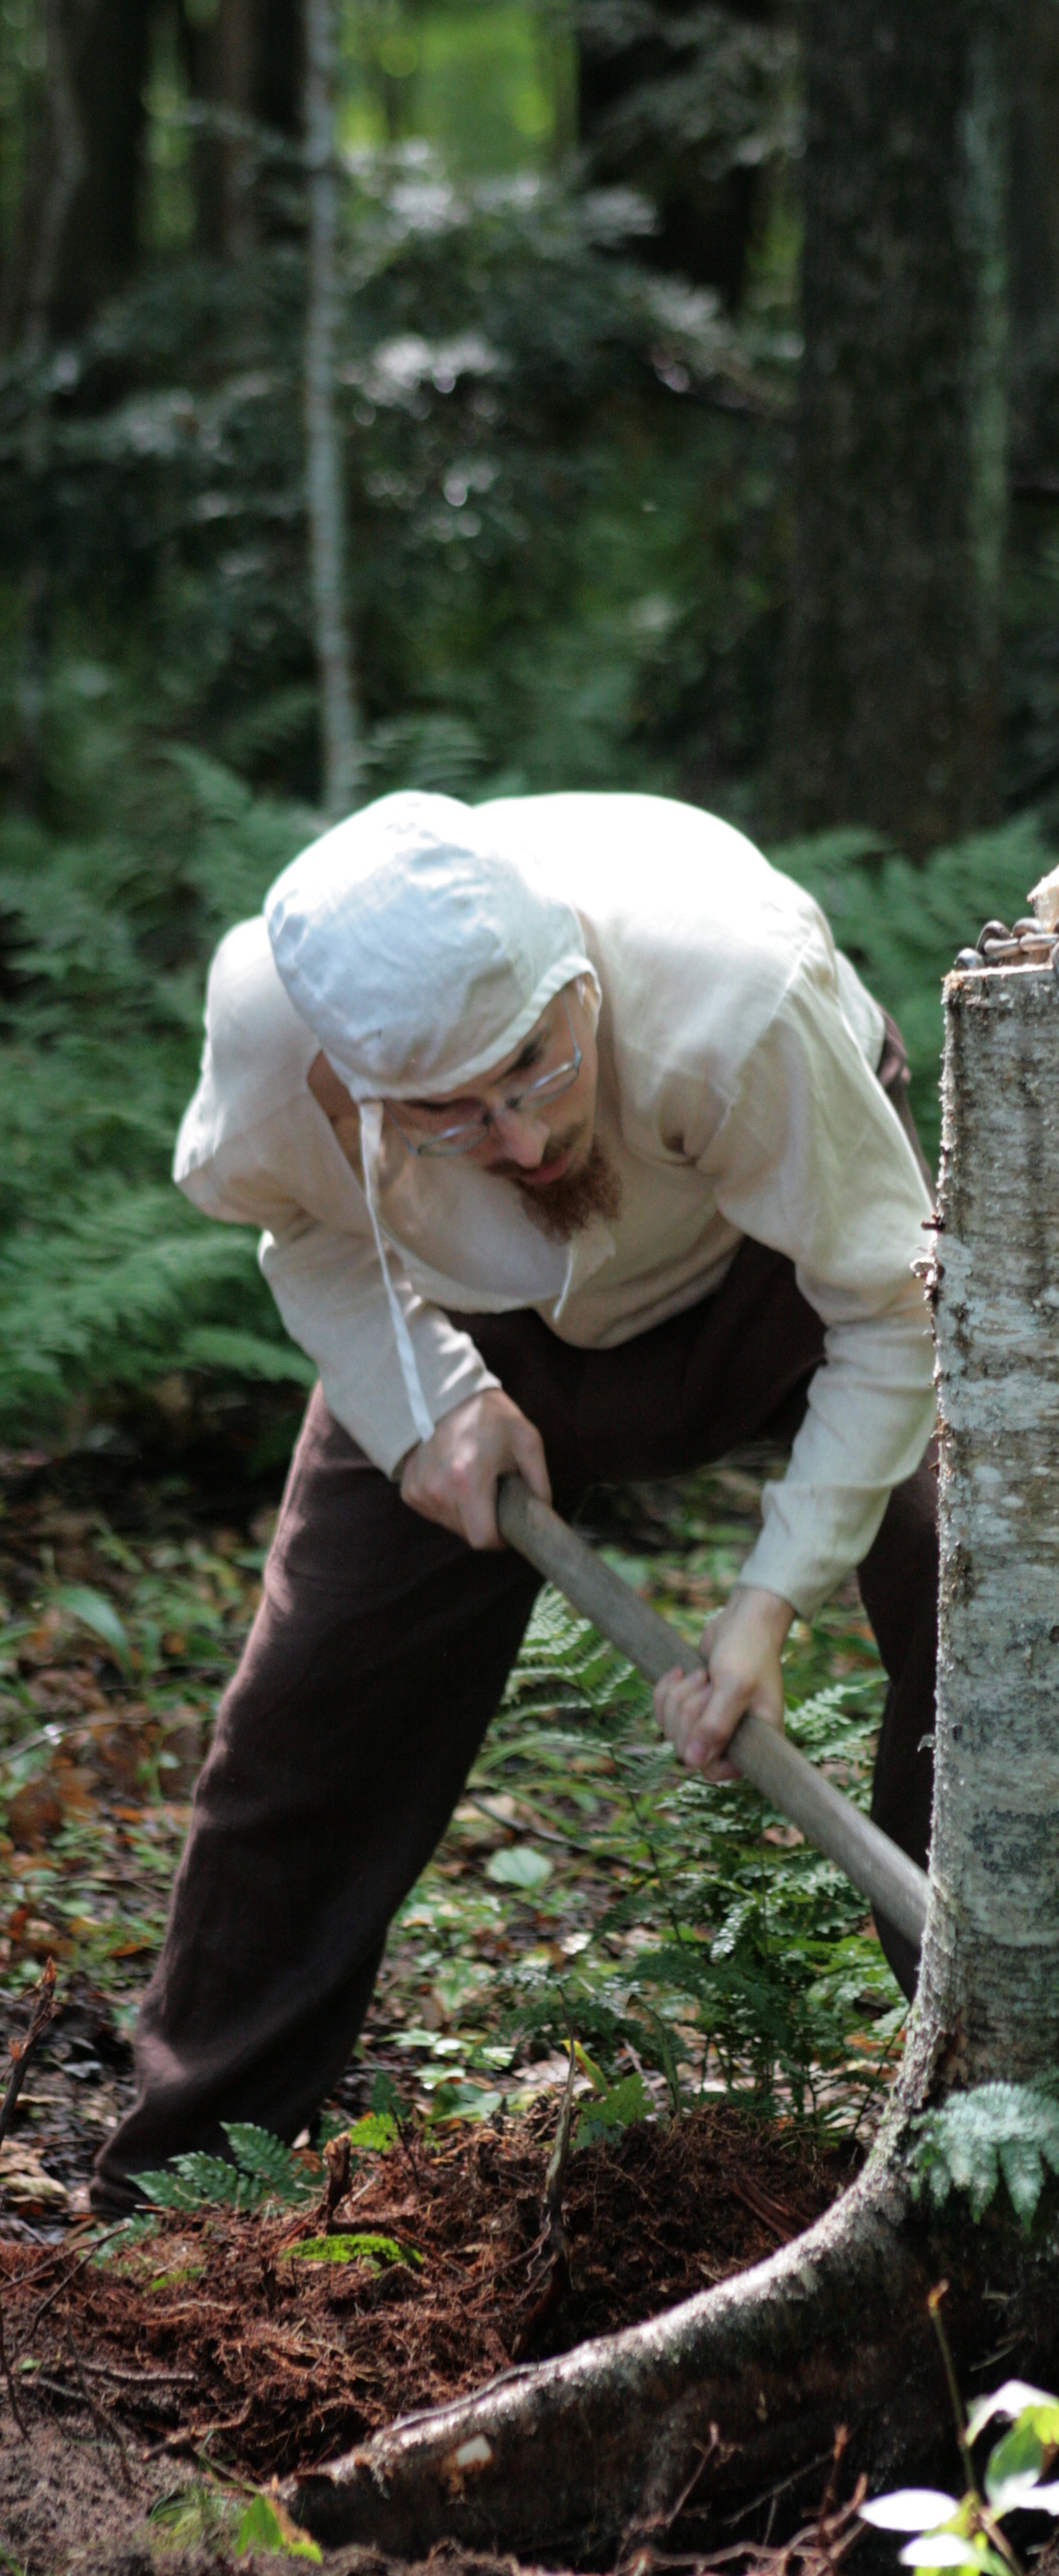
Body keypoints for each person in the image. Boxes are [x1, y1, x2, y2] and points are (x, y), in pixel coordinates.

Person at [91, 789, 938, 2213]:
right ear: (348, 1090)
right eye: (450, 1113)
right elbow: (304, 1233)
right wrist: (427, 1402)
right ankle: (182, 2191)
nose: (524, 1138)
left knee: (989, 1595)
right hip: (474, 1329)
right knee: (311, 1710)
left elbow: (884, 1308)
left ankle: (1004, 2115)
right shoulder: (275, 1031)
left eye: (538, 1071)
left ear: (581, 988)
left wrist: (766, 1603)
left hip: (778, 1276)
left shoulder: (735, 995)